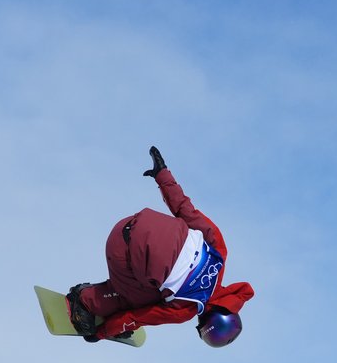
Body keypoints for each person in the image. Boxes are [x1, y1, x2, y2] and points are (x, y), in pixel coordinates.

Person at [67, 147, 255, 346]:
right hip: (121, 250)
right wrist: (102, 333)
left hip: (131, 223)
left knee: (150, 284)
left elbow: (185, 209)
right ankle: (84, 301)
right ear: (210, 324)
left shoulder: (219, 252)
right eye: (212, 337)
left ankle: (108, 302)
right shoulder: (185, 310)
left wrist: (162, 174)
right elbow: (137, 317)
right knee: (142, 301)